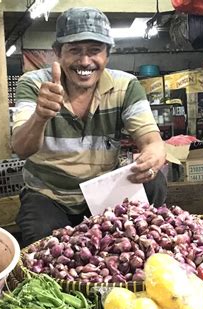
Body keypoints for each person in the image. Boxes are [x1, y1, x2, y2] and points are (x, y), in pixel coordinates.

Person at [11, 7, 167, 247]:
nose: (85, 61)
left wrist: (153, 156)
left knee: (154, 181)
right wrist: (40, 116)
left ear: (107, 54)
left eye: (95, 51)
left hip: (103, 193)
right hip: (48, 195)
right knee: (43, 245)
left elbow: (152, 142)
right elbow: (21, 148)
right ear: (58, 53)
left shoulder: (126, 86)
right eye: (75, 50)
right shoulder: (34, 85)